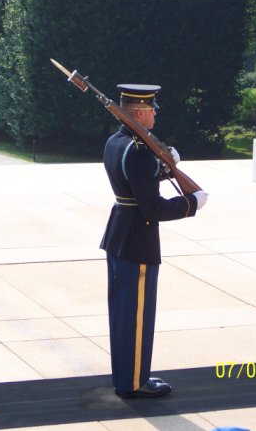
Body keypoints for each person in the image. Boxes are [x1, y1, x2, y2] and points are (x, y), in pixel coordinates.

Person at [100, 84, 208, 399]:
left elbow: (134, 183)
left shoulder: (116, 142)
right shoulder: (137, 150)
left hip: (118, 233)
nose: (155, 113)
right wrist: (191, 204)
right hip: (137, 240)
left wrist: (161, 166)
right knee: (136, 316)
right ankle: (134, 383)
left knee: (122, 314)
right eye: (152, 109)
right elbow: (152, 207)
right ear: (139, 112)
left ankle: (126, 375)